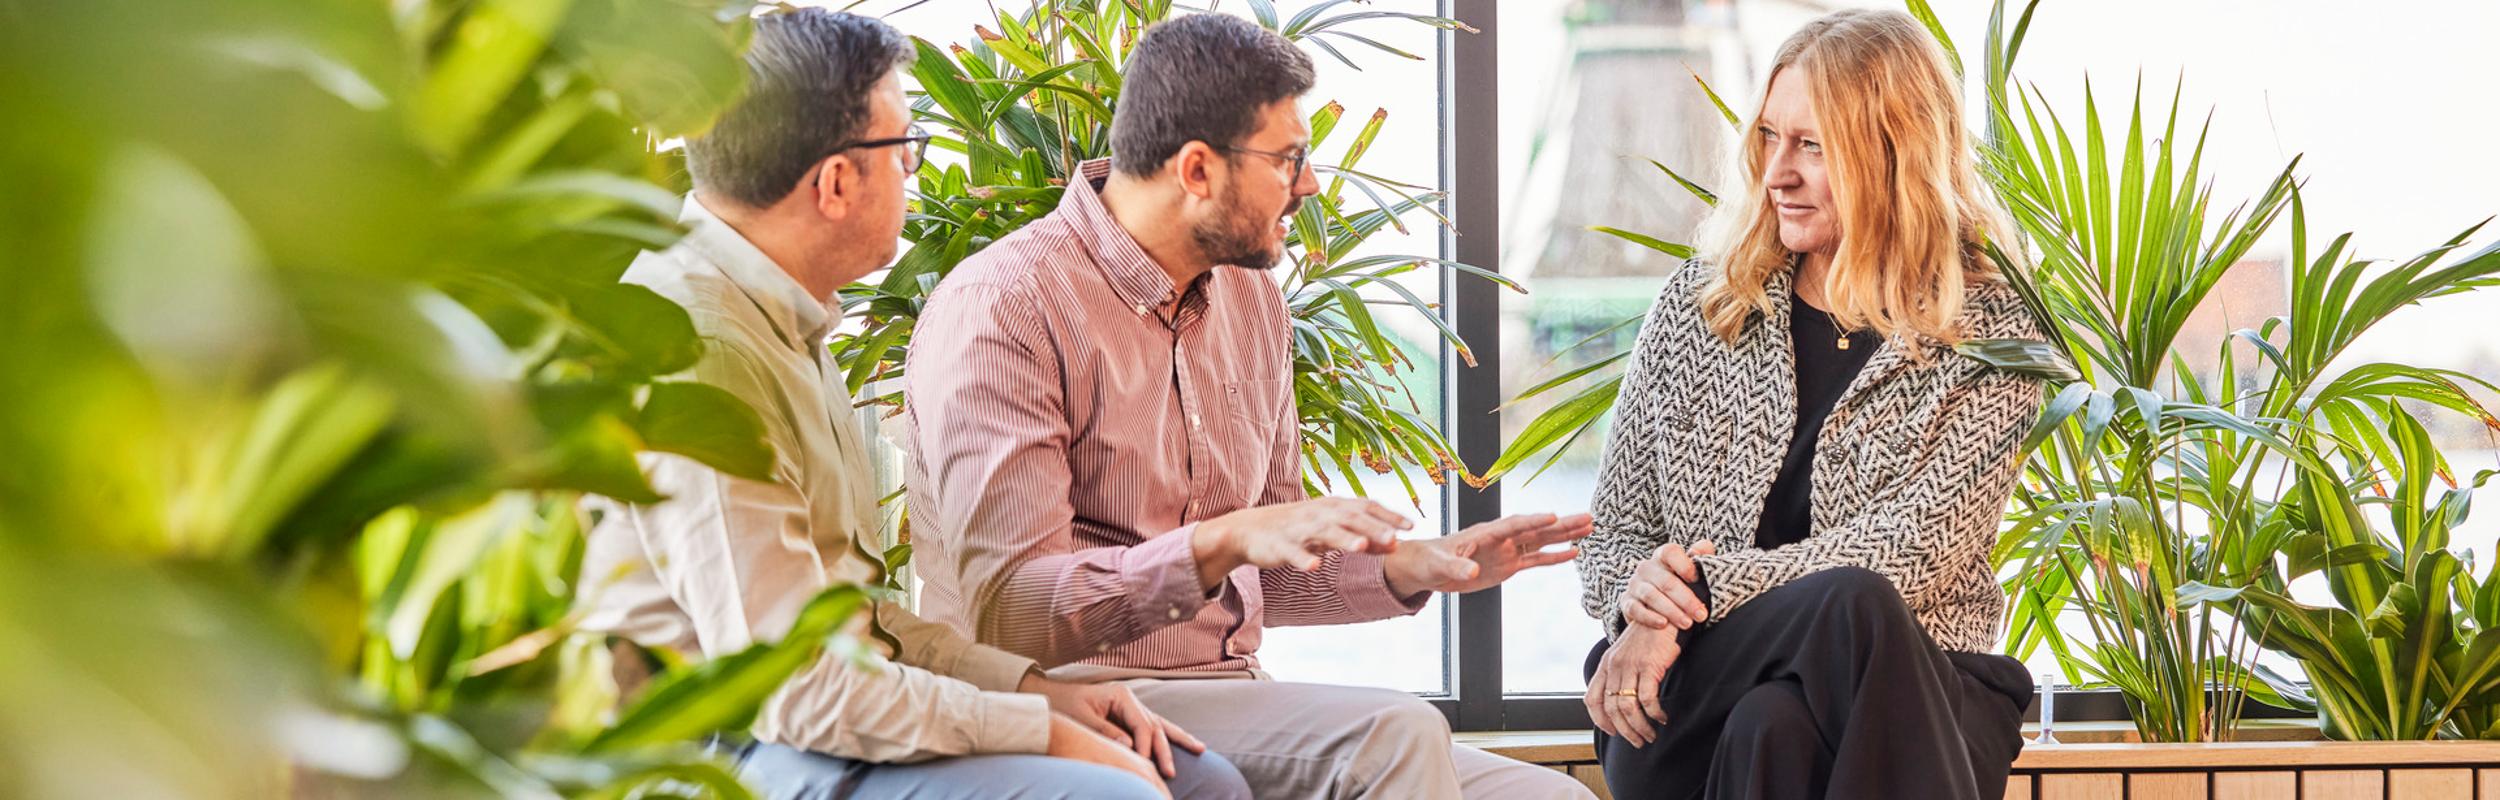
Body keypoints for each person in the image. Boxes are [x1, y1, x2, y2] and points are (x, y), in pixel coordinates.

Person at [896, 13, 1598, 800]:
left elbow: (1263, 570)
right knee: (1394, 733)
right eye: (1290, 159)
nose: (1310, 185)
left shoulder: (1253, 300)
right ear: (1197, 169)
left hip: (1231, 689)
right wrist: (1219, 539)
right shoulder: (1005, 306)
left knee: (1550, 796)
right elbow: (1011, 614)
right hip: (1062, 694)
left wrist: (1413, 565)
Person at [574, 10, 1252, 799]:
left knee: (1203, 781)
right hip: (719, 752)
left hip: (803, 716)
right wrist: (1046, 732)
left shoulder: (785, 319)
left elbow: (857, 622)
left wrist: (1039, 691)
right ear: (835, 182)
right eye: (904, 149)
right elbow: (794, 689)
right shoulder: (701, 347)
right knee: (1117, 793)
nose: (915, 173)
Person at [1573, 9, 2045, 800]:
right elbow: (1612, 539)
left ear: (1895, 154)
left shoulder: (1991, 329)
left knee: (1784, 714)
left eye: (1813, 146)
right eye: (1769, 137)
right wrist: (1639, 600)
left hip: (1928, 682)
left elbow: (1913, 553)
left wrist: (1695, 594)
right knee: (1845, 612)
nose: (1776, 173)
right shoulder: (1699, 307)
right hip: (1683, 689)